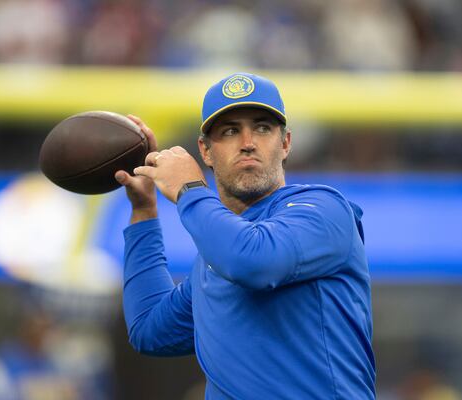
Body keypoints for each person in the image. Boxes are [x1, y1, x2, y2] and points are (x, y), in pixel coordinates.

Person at [115, 73, 376, 399]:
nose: (248, 141)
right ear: (206, 152)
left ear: (285, 143)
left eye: (263, 128)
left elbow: (254, 261)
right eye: (230, 131)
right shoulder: (215, 257)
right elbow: (150, 330)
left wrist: (190, 189)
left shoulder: (323, 210)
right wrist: (143, 212)